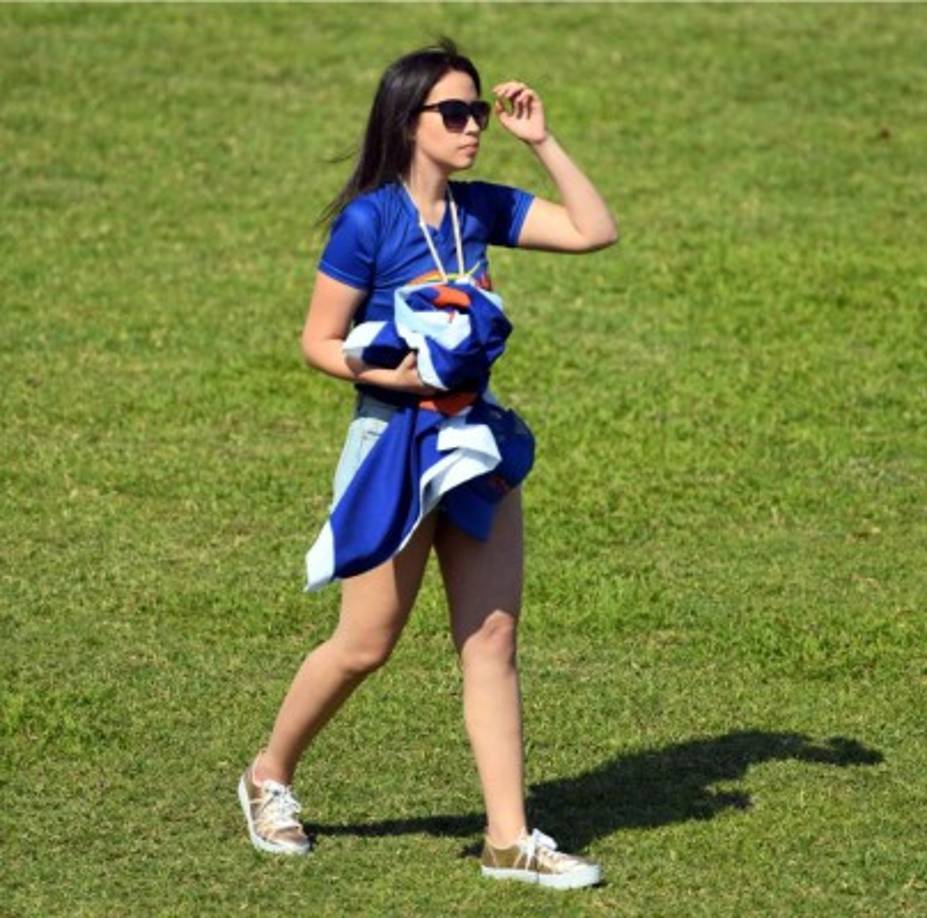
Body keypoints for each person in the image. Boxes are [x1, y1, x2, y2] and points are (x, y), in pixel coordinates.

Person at [238, 38, 618, 890]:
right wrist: (388, 372)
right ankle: (268, 775)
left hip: (472, 445)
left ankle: (508, 839)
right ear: (408, 123)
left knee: (491, 641)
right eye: (454, 113)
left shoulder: (477, 210)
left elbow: (595, 231)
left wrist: (543, 142)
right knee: (366, 643)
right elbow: (317, 341)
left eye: (477, 111)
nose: (471, 125)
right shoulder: (369, 221)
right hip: (393, 448)